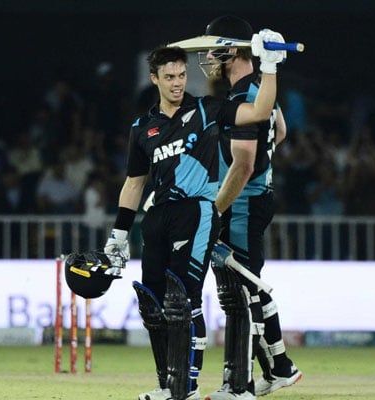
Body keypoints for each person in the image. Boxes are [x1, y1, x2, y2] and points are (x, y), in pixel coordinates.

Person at [101, 33, 285, 400]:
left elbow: (262, 112)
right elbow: (134, 185)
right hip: (156, 217)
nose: (176, 83)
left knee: (183, 300)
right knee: (152, 303)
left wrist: (269, 67)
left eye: (181, 76)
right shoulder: (143, 128)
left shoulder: (208, 109)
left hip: (197, 212)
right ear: (154, 78)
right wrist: (118, 235)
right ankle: (167, 385)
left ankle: (186, 387)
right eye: (168, 77)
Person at [196, 16, 301, 400]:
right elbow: (282, 131)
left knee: (240, 292)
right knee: (248, 284)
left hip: (242, 202)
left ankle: (239, 385)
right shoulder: (259, 90)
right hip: (255, 198)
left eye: (213, 48)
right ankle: (279, 368)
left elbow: (242, 165)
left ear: (231, 50)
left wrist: (214, 211)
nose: (208, 56)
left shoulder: (244, 97)